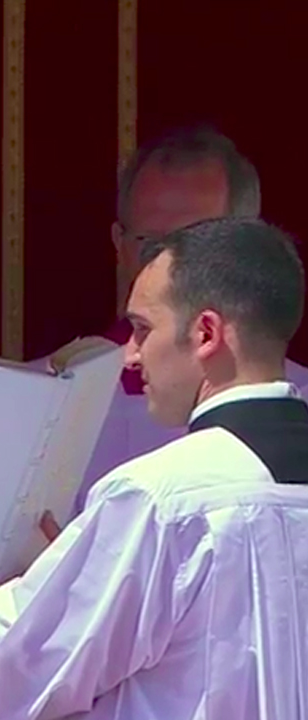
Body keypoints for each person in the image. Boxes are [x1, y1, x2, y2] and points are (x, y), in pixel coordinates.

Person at [0, 216, 308, 719]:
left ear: (205, 332)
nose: (130, 355)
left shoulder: (159, 495)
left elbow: (14, 668)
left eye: (143, 329)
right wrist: (78, 568)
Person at [53, 126, 308, 516]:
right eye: (150, 244)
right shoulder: (47, 397)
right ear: (119, 244)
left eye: (195, 241)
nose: (169, 263)